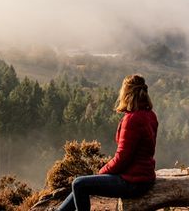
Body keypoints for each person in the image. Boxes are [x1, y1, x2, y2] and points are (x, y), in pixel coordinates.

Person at [55, 74, 158, 211]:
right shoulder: (150, 115)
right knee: (80, 185)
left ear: (127, 94)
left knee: (79, 184)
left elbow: (122, 158)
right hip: (145, 177)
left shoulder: (132, 119)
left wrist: (102, 171)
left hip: (133, 182)